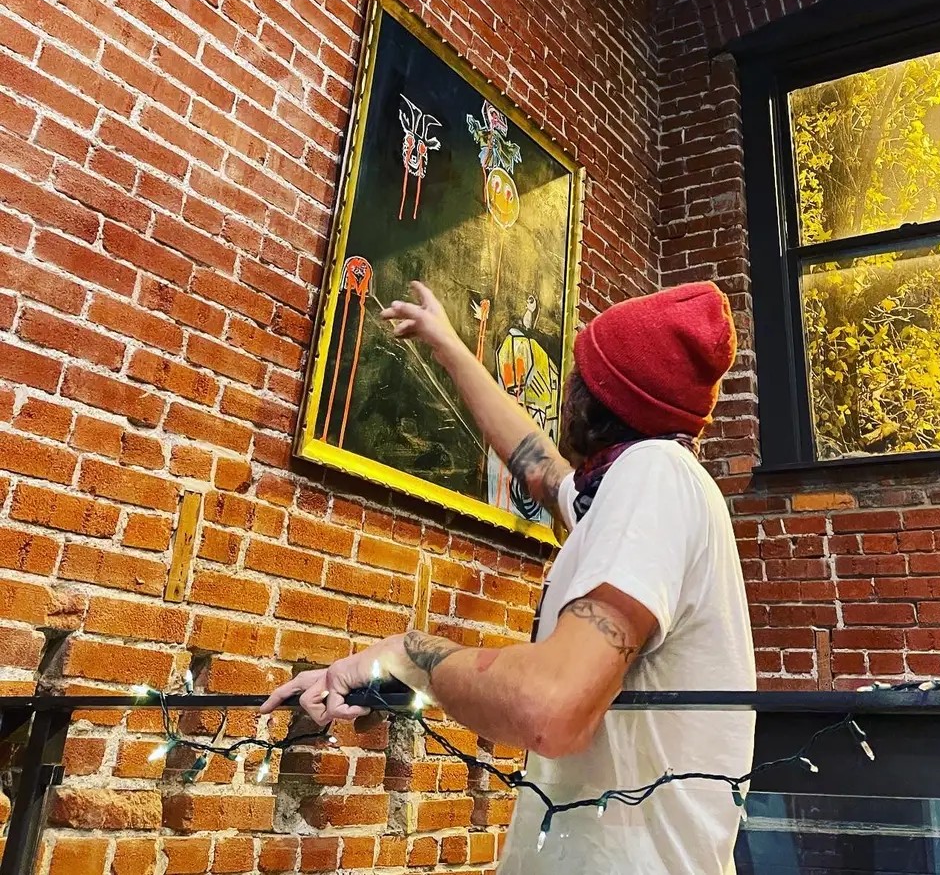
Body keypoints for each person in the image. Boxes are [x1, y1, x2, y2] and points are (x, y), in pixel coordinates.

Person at [262, 280, 755, 874]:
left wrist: (407, 654)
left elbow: (552, 706)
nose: (564, 389)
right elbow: (538, 465)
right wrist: (446, 343)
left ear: (597, 398)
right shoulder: (627, 489)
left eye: (578, 372)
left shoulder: (655, 477)